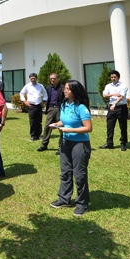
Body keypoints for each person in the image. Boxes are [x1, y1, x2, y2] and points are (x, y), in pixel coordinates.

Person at [49, 80, 92, 218]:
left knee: (79, 175)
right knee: (65, 172)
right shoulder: (64, 104)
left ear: (75, 91)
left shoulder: (81, 107)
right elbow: (64, 121)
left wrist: (68, 129)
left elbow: (88, 128)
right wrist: (57, 124)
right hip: (65, 143)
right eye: (65, 88)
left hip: (80, 144)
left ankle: (82, 204)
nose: (64, 90)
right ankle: (64, 199)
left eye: (67, 89)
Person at [100, 70, 129, 151]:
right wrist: (113, 94)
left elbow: (121, 97)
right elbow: (104, 95)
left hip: (121, 108)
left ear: (118, 77)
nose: (113, 78)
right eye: (112, 77)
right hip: (111, 108)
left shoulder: (123, 86)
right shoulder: (108, 86)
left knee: (123, 126)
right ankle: (109, 143)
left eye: (115, 77)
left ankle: (123, 143)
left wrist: (114, 104)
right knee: (110, 126)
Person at [40, 73, 65, 153]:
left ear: (58, 79)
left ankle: (61, 147)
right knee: (47, 127)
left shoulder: (62, 87)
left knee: (61, 128)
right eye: (51, 79)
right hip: (51, 108)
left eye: (54, 78)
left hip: (59, 109)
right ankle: (44, 145)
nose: (52, 80)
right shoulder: (48, 88)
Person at [20, 73, 48, 143]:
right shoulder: (27, 86)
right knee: (32, 121)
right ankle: (33, 136)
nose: (33, 80)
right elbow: (21, 93)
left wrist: (43, 101)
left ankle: (38, 135)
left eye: (34, 78)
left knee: (39, 121)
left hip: (38, 105)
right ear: (30, 79)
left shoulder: (40, 86)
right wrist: (25, 101)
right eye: (31, 79)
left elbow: (45, 93)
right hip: (31, 106)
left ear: (36, 78)